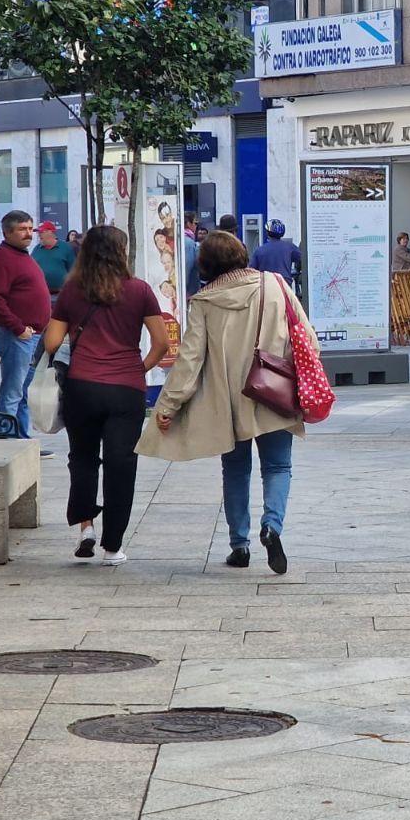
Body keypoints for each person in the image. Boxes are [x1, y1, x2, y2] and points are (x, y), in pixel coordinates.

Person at [138, 231, 319, 575]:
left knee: (235, 470)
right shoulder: (276, 285)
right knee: (278, 467)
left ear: (204, 264)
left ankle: (240, 545)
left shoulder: (204, 301)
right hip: (275, 391)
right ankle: (272, 526)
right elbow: (307, 339)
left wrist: (168, 406)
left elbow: (190, 361)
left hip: (227, 402)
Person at [44, 225, 170, 567]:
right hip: (126, 389)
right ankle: (112, 547)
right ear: (122, 252)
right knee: (121, 464)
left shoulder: (72, 291)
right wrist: (138, 368)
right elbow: (162, 344)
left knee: (82, 458)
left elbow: (53, 343)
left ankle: (86, 527)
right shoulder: (140, 290)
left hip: (82, 386)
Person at [0, 211, 51, 439]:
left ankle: (21, 437)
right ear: (7, 232)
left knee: (23, 391)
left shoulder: (22, 255)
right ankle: (6, 438)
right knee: (12, 391)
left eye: (31, 229)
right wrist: (18, 327)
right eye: (22, 229)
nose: (28, 234)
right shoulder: (2, 258)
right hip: (18, 336)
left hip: (33, 335)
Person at [30, 221, 76, 302]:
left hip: (61, 294)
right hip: (41, 294)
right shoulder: (36, 249)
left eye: (42, 232)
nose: (39, 234)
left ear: (51, 233)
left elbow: (73, 270)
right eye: (38, 232)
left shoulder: (65, 247)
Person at [249, 219, 301, 287]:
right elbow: (302, 260)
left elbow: (251, 271)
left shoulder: (259, 250)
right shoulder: (290, 247)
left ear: (267, 233)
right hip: (285, 284)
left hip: (267, 285)